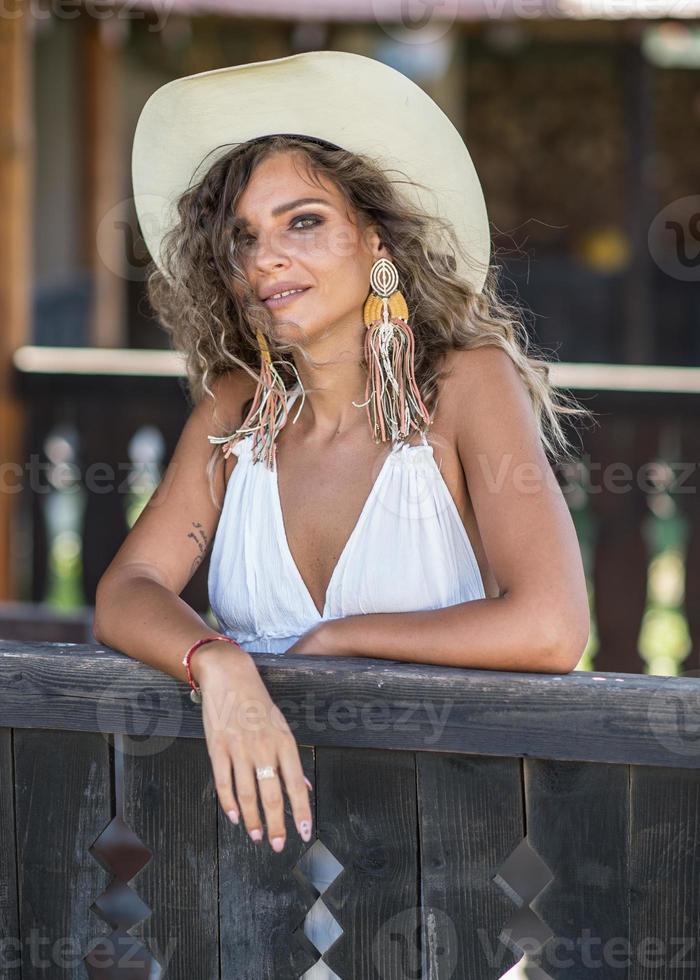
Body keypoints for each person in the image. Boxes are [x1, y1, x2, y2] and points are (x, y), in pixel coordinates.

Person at [95, 52, 590, 901]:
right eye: (244, 236)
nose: (265, 259)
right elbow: (127, 589)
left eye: (302, 222)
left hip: (443, 874)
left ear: (376, 238)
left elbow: (550, 628)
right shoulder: (234, 407)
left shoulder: (466, 384)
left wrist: (338, 642)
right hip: (247, 877)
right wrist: (217, 663)